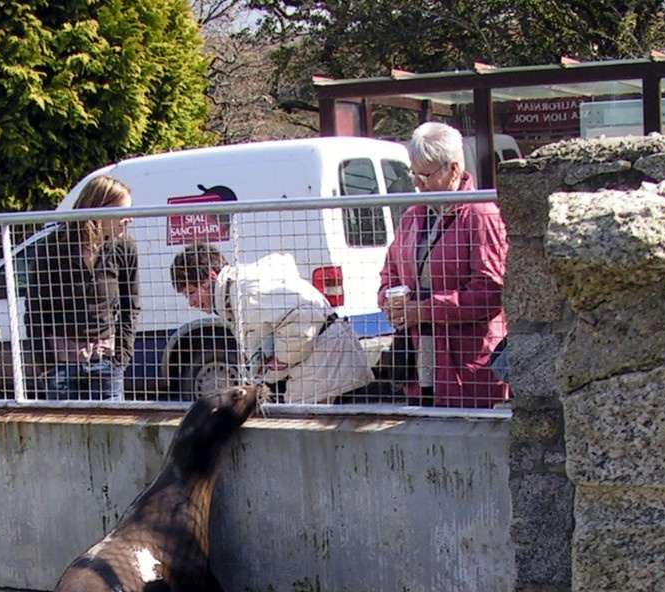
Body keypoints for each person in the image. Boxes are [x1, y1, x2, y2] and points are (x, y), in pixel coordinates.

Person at [378, 121, 509, 408]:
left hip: (469, 366)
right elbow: (389, 273)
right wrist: (391, 304)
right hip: (419, 362)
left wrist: (423, 311)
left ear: (453, 169)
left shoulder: (480, 214)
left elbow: (491, 291)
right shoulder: (413, 215)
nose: (416, 183)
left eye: (425, 174)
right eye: (414, 172)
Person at [170, 244, 374, 404]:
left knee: (308, 443)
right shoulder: (238, 291)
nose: (192, 302)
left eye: (191, 292)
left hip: (326, 365)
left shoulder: (243, 293)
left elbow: (303, 317)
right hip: (330, 360)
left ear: (210, 278)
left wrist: (281, 360)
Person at [25, 174, 141, 401]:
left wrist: (121, 358)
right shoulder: (52, 247)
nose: (129, 218)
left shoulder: (124, 246)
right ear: (99, 208)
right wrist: (45, 363)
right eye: (122, 211)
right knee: (64, 435)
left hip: (107, 362)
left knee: (110, 434)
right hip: (61, 364)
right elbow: (35, 310)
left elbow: (131, 305)